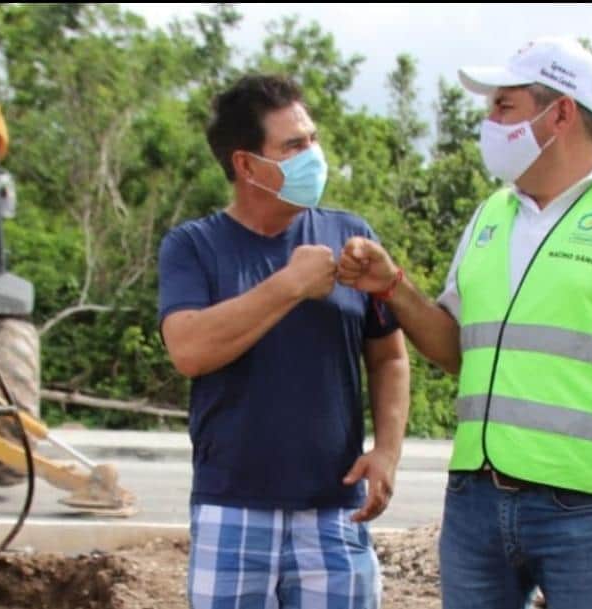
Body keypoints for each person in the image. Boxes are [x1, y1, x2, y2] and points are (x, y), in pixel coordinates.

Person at [336, 37, 592, 609]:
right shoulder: (493, 213)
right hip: (475, 504)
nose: (490, 121)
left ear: (560, 112)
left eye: (503, 106)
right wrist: (395, 287)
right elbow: (458, 351)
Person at [157, 74, 411, 608]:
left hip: (335, 513)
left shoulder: (350, 236)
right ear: (247, 165)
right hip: (232, 511)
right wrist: (289, 285)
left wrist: (386, 452)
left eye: (312, 139)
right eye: (293, 146)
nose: (313, 156)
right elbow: (189, 350)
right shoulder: (194, 246)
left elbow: (388, 357)